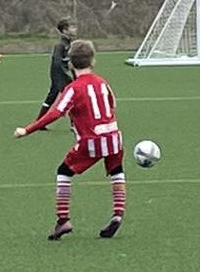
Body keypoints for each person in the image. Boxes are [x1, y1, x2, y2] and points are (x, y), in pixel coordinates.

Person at [14, 39, 126, 240]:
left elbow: (55, 112)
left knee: (63, 173)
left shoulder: (73, 89)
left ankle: (63, 220)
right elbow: (112, 106)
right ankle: (118, 215)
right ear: (93, 61)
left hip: (91, 140)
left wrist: (27, 129)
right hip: (114, 136)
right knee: (116, 172)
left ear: (70, 64)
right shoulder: (103, 83)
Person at [36, 19, 76, 121]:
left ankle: (40, 121)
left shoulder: (69, 43)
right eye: (72, 27)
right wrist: (66, 75)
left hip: (61, 75)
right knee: (72, 97)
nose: (75, 29)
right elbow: (57, 63)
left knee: (52, 97)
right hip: (60, 75)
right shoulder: (60, 45)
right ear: (65, 30)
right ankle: (74, 123)